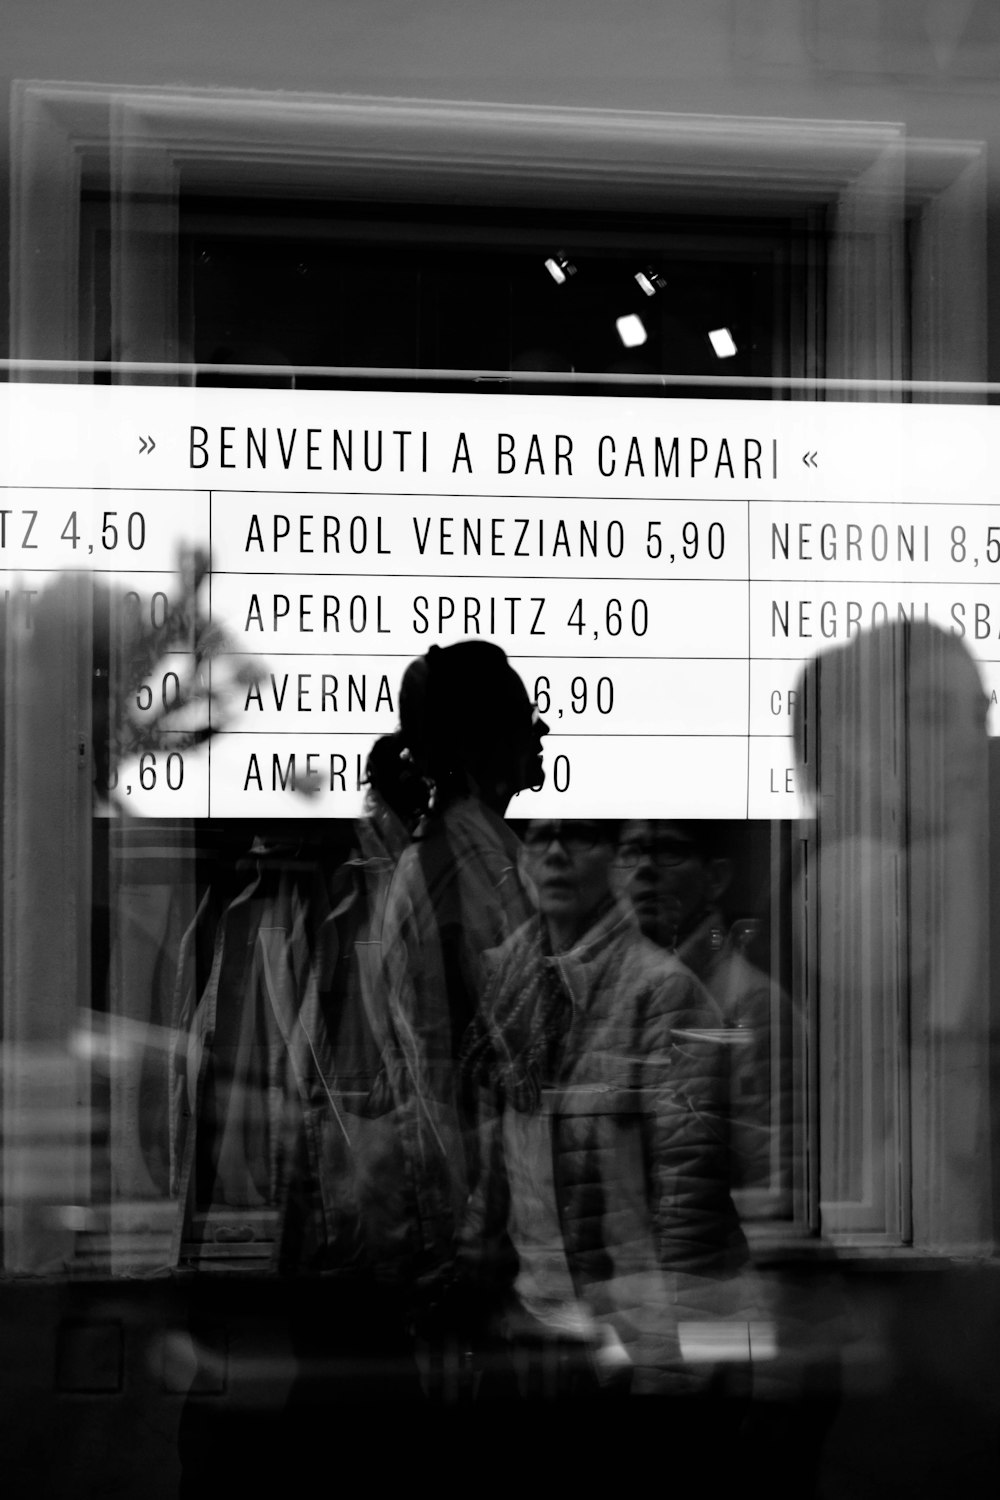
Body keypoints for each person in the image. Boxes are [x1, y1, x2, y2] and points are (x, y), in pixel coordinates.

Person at [461, 818, 751, 1421]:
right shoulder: (509, 988)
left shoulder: (662, 990)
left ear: (615, 863)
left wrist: (669, 1363)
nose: (558, 855)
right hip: (533, 1328)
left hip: (627, 1341)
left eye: (582, 837)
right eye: (541, 840)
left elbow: (688, 1191)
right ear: (521, 863)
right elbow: (494, 1171)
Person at [618, 820, 782, 1213]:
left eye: (669, 851)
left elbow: (771, 1179)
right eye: (630, 853)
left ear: (716, 877)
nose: (645, 868)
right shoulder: (612, 989)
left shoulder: (752, 1003)